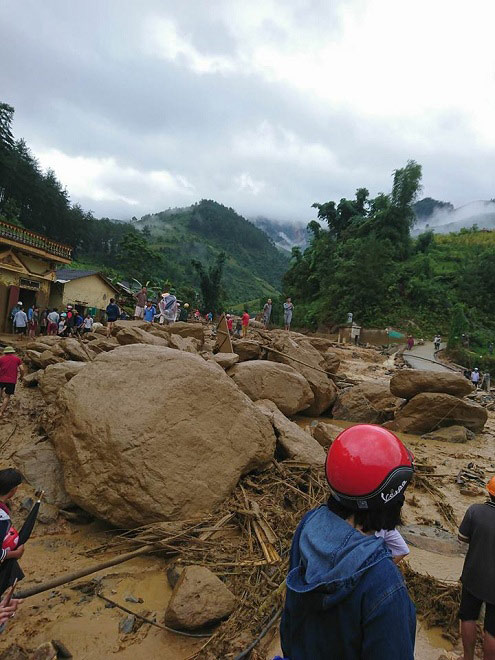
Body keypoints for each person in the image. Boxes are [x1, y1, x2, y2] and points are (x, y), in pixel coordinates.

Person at [280, 425, 416, 660]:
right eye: (401, 495)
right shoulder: (383, 581)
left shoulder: (308, 526)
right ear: (389, 500)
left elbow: (290, 626)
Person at [457, 476, 495, 660]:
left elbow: (462, 540)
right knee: (492, 631)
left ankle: (468, 657)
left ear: (489, 492)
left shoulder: (475, 511)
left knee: (468, 617)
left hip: (473, 575)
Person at [0, 348, 25, 419]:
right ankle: (1, 412)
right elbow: (22, 369)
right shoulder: (17, 359)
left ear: (5, 353)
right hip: (11, 380)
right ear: (13, 352)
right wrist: (21, 376)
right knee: (7, 396)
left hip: (1, 379)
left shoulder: (1, 359)